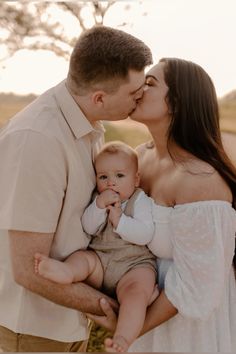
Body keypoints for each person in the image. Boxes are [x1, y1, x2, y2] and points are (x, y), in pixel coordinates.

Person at [0, 25, 153, 352]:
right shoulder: (38, 140)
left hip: (66, 323)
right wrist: (111, 307)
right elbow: (28, 269)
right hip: (31, 331)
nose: (141, 96)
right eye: (134, 92)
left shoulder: (88, 127)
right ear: (100, 97)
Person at [87, 58, 236, 352]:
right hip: (140, 306)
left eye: (151, 83)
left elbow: (196, 285)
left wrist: (129, 330)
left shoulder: (200, 179)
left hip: (186, 326)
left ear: (177, 102)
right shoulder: (137, 158)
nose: (139, 88)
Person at [34, 141, 159, 353]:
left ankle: (123, 338)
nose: (111, 183)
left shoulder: (140, 200)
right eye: (103, 177)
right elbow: (88, 227)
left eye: (120, 176)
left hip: (134, 265)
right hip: (101, 259)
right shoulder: (97, 200)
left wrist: (120, 222)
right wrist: (99, 206)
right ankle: (66, 271)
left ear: (136, 179)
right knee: (83, 258)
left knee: (136, 294)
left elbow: (146, 233)